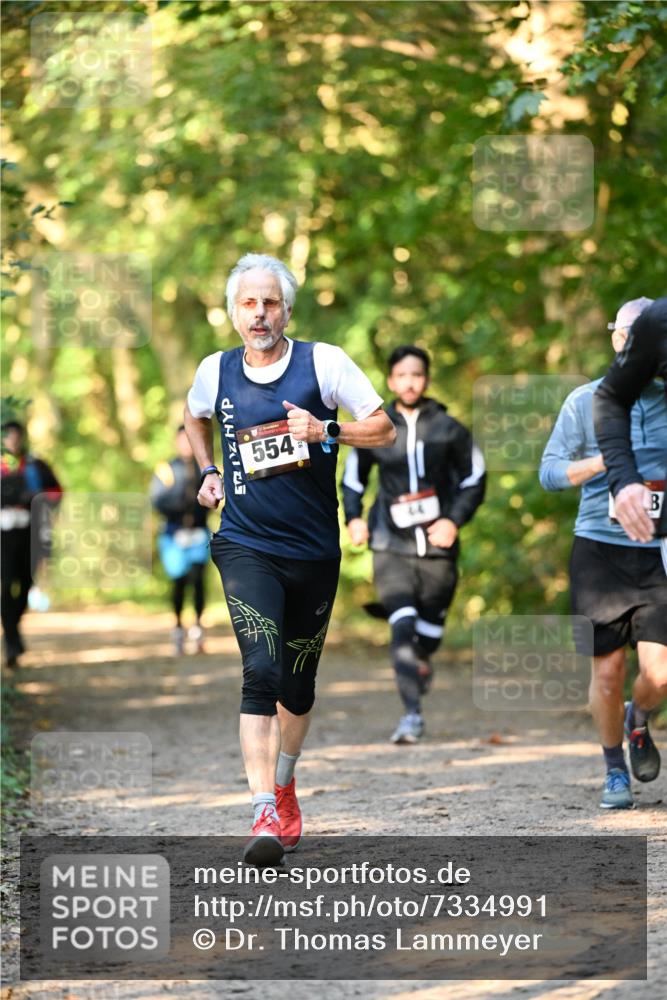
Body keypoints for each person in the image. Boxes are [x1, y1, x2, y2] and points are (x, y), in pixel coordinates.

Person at [183, 252, 395, 865]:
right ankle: (262, 811)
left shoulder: (323, 363)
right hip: (245, 543)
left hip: (314, 551)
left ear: (287, 309)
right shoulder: (215, 371)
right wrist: (208, 469)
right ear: (232, 312)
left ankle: (284, 784)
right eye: (248, 303)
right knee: (262, 670)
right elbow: (193, 417)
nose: (259, 313)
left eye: (270, 302)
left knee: (297, 689)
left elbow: (380, 428)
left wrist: (325, 431)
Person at [540, 297, 667, 809]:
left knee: (660, 673)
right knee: (607, 672)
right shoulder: (586, 400)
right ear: (614, 339)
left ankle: (640, 721)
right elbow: (549, 474)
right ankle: (614, 769)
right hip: (600, 549)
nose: (630, 344)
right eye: (623, 334)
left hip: (658, 549)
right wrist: (607, 465)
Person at [342, 346, 486, 744]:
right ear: (390, 381)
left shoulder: (449, 428)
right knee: (401, 626)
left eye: (417, 375)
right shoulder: (375, 425)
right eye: (402, 375)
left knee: (428, 636)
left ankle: (423, 658)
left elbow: (475, 478)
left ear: (427, 380)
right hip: (390, 543)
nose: (409, 382)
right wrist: (353, 517)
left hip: (438, 549)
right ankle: (411, 715)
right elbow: (354, 478)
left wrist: (453, 521)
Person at [591, 295, 667, 803]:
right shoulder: (659, 323)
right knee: (640, 670)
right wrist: (624, 480)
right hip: (611, 544)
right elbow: (610, 399)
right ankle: (622, 743)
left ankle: (638, 717)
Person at [1, 420, 62, 667]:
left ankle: (12, 630)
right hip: (3, 533)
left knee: (26, 582)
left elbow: (57, 492)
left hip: (30, 532)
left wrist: (36, 499)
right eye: (8, 436)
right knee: (6, 585)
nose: (13, 440)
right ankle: (11, 640)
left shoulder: (36, 465)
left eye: (16, 436)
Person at [151, 426, 210, 656]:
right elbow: (157, 500)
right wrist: (183, 502)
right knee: (179, 580)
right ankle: (177, 627)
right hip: (173, 535)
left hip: (198, 533)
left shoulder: (205, 467)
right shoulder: (166, 469)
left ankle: (198, 627)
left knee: (198, 577)